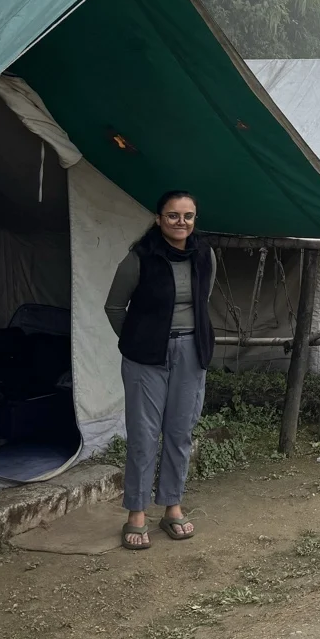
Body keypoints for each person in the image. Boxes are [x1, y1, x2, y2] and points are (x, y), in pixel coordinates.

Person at [104, 190, 216, 550]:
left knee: (180, 432)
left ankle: (172, 507)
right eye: (173, 216)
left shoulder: (204, 255)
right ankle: (136, 513)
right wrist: (138, 340)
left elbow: (204, 299)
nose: (181, 223)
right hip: (145, 358)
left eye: (188, 216)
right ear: (158, 219)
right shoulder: (140, 257)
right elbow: (114, 307)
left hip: (190, 350)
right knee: (143, 435)